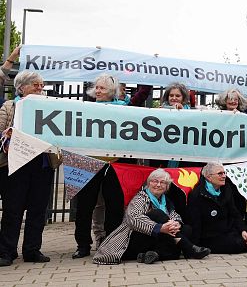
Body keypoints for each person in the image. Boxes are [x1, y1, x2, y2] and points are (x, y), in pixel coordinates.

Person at [73, 74, 152, 258]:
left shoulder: (125, 109)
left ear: (112, 91)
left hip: (118, 164)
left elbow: (141, 95)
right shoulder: (86, 107)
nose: (98, 91)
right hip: (89, 161)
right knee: (85, 205)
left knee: (114, 205)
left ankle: (111, 242)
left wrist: (148, 75)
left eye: (103, 88)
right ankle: (83, 245)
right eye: (97, 88)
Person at [0, 71, 61, 266]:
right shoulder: (10, 106)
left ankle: (32, 250)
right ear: (21, 87)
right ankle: (6, 252)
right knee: (13, 210)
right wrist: (6, 136)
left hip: (42, 164)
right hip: (16, 165)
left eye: (41, 85)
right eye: (35, 84)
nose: (39, 88)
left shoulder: (50, 106)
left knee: (38, 209)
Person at [93, 169, 210, 264]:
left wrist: (176, 223)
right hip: (132, 240)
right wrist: (159, 227)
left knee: (186, 229)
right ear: (149, 183)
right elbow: (133, 219)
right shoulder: (141, 197)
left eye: (163, 182)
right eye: (155, 181)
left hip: (153, 241)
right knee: (157, 214)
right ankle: (189, 248)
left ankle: (152, 254)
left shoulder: (166, 201)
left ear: (167, 186)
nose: (158, 185)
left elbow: (174, 215)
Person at [185, 163, 247, 254]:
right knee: (236, 244)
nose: (224, 176)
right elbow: (195, 222)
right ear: (208, 177)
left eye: (224, 173)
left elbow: (234, 213)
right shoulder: (197, 195)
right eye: (220, 173)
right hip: (209, 235)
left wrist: (243, 230)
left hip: (229, 230)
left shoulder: (227, 189)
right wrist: (194, 247)